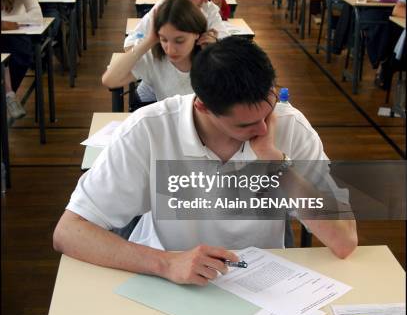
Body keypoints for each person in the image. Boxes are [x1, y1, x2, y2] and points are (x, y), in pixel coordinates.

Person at [54, 37, 358, 283]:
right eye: (245, 125)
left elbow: (345, 241)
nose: (264, 130)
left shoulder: (290, 126)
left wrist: (276, 163)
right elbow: (69, 232)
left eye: (267, 112)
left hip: (261, 282)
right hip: (167, 274)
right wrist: (166, 264)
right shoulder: (149, 128)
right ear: (202, 106)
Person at [103, 0, 207, 98]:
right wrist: (149, 40)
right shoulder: (154, 58)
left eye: (179, 41)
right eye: (164, 39)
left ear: (197, 33)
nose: (170, 50)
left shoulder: (209, 57)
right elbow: (109, 80)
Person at [1, 0, 43, 119]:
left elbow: (37, 17)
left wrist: (11, 23)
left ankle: (7, 95)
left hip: (17, 34)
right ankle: (8, 95)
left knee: (19, 53)